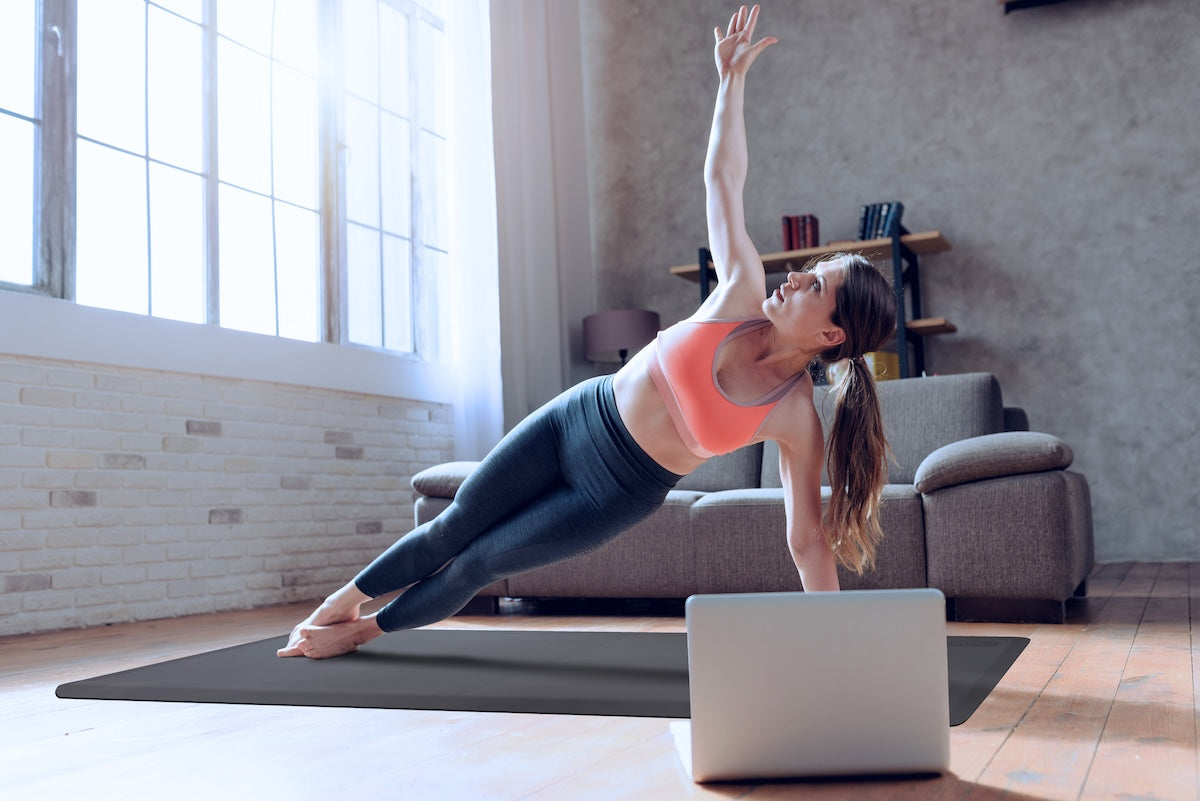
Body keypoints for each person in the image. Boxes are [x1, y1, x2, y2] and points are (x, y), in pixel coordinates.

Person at [279, 4, 896, 660]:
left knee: (478, 562)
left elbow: (806, 540)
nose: (795, 277)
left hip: (614, 492)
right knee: (455, 524)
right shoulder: (740, 286)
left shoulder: (795, 415)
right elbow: (724, 178)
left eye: (815, 286)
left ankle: (357, 633)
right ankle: (335, 603)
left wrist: (836, 645)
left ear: (832, 336)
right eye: (807, 269)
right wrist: (730, 83)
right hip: (577, 417)